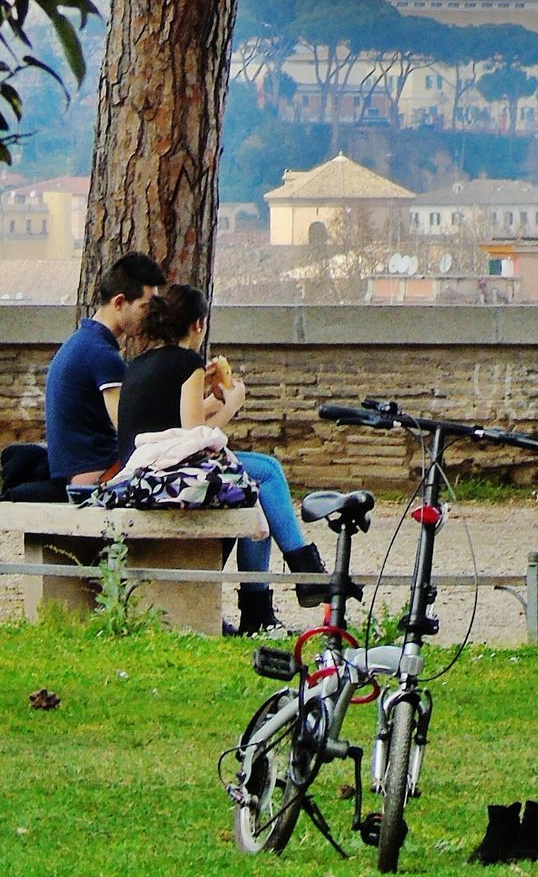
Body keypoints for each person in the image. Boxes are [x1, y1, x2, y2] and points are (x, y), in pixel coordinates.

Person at [116, 283, 329, 635]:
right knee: (267, 473)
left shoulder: (140, 364)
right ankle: (302, 575)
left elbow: (169, 419)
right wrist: (232, 402)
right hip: (164, 473)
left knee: (253, 494)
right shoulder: (188, 361)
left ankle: (270, 604)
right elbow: (193, 435)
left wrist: (209, 391)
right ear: (199, 324)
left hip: (141, 469)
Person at [45, 253, 166, 486]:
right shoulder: (102, 355)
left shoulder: (83, 341)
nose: (151, 315)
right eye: (144, 307)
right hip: (98, 475)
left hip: (83, 469)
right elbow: (131, 430)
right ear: (119, 302)